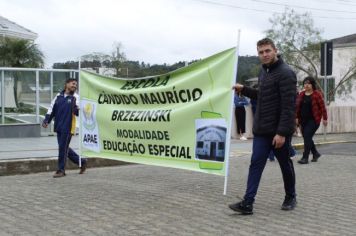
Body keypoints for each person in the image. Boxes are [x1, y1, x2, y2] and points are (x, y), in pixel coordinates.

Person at [229, 38, 297, 214]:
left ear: (275, 50)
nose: (264, 55)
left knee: (285, 165)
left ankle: (291, 196)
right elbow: (262, 96)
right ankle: (248, 203)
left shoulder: (286, 73)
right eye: (261, 52)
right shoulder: (263, 72)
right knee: (255, 164)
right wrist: (243, 89)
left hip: (278, 132)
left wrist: (282, 133)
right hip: (261, 130)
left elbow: (289, 106)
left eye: (268, 51)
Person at [42, 78, 87, 178]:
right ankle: (82, 161)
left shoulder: (76, 97)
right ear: (66, 84)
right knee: (64, 148)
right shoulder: (58, 96)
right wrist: (46, 120)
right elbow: (51, 110)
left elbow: (77, 111)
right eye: (73, 84)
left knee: (62, 148)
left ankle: (61, 170)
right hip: (58, 126)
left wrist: (78, 109)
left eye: (76, 85)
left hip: (68, 127)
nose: (74, 86)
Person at [296, 76, 328, 164]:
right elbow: (297, 108)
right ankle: (315, 153)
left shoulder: (317, 94)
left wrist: (325, 118)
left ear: (312, 84)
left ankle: (305, 158)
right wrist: (296, 118)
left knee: (307, 136)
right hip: (303, 120)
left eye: (308, 83)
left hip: (314, 120)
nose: (306, 85)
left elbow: (322, 107)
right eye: (305, 83)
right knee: (307, 137)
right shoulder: (301, 94)